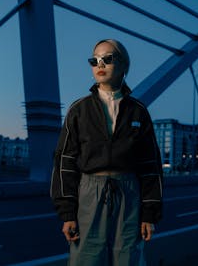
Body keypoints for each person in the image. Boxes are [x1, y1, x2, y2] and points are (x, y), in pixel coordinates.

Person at [50, 39, 163, 265]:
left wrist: (149, 214)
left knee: (128, 256)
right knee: (86, 257)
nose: (99, 64)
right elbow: (65, 162)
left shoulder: (138, 111)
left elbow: (150, 165)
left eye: (107, 59)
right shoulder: (78, 110)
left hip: (130, 192)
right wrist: (68, 214)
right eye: (94, 60)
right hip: (90, 191)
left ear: (123, 66)